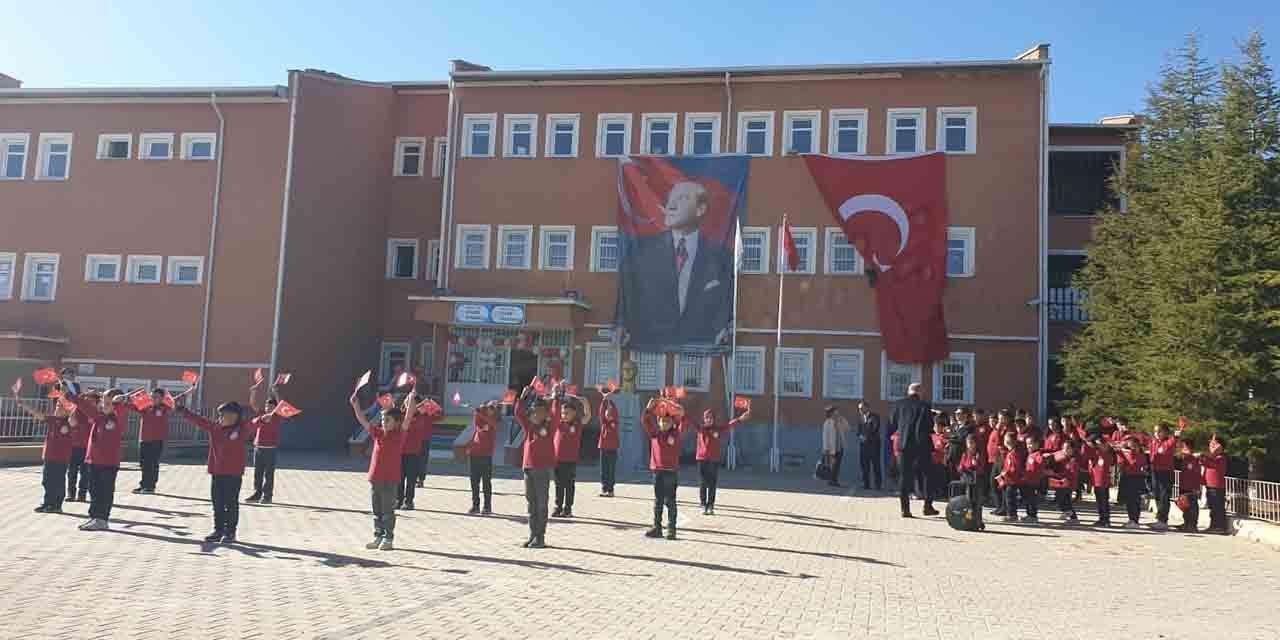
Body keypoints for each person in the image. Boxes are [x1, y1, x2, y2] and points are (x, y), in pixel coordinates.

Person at [618, 180, 733, 349]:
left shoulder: (721, 258)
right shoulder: (640, 253)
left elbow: (726, 304)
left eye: (683, 198)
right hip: (650, 345)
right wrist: (620, 324)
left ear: (700, 209)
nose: (671, 205)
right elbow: (627, 293)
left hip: (700, 348)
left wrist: (727, 327)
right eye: (670, 199)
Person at [177, 401, 262, 544]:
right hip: (217, 471)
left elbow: (253, 423)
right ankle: (218, 530)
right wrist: (182, 410)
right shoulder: (215, 428)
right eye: (221, 414)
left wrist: (261, 419)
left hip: (233, 473)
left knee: (231, 502)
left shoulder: (241, 429)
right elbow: (198, 420)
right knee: (217, 502)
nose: (222, 417)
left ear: (235, 416)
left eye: (226, 414)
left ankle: (230, 533)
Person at [346, 390, 403, 551]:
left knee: (388, 510)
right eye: (383, 419)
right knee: (376, 510)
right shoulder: (378, 433)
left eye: (388, 419)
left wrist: (412, 401)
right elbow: (362, 420)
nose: (384, 422)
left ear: (397, 422)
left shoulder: (399, 435)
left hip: (390, 479)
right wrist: (355, 405)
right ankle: (378, 536)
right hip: (375, 478)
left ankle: (388, 538)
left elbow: (406, 419)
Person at [69, 388, 129, 531]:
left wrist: (119, 404)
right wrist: (71, 396)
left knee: (105, 491)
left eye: (108, 403)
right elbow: (86, 408)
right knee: (94, 490)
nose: (104, 405)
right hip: (93, 460)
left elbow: (120, 412)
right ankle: (94, 517)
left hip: (108, 462)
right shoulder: (99, 416)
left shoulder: (118, 418)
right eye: (103, 402)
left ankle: (102, 519)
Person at [13, 390, 76, 513]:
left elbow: (74, 419)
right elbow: (38, 414)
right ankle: (47, 503)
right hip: (49, 456)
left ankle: (56, 505)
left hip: (61, 458)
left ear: (67, 410)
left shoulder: (68, 423)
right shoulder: (53, 420)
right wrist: (23, 404)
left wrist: (73, 406)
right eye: (56, 406)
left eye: (60, 407)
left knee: (57, 481)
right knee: (47, 481)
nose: (56, 408)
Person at [514, 383, 557, 548]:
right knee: (531, 503)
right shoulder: (530, 427)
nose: (534, 414)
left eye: (538, 411)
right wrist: (523, 397)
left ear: (545, 413)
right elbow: (518, 413)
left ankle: (540, 536)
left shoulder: (549, 427)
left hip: (542, 469)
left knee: (541, 504)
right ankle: (532, 534)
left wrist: (554, 398)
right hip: (528, 467)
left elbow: (555, 415)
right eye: (532, 411)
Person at [642, 396, 689, 539]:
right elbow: (645, 420)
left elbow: (683, 423)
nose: (664, 423)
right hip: (658, 471)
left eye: (667, 421)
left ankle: (671, 529)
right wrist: (648, 409)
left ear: (672, 423)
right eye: (662, 421)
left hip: (671, 472)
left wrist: (681, 413)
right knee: (658, 501)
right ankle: (657, 527)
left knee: (670, 500)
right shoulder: (654, 434)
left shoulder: (676, 434)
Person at [890, 383, 936, 518]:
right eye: (923, 391)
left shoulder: (898, 404)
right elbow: (929, 426)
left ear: (909, 392)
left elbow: (893, 422)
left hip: (904, 445)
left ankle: (905, 509)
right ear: (919, 392)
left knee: (904, 477)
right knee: (928, 475)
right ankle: (927, 506)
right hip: (922, 446)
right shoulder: (925, 406)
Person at [696, 405, 750, 515]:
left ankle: (710, 505)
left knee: (712, 483)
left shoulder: (718, 429)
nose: (709, 419)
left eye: (711, 417)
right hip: (702, 459)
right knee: (703, 483)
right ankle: (703, 504)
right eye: (707, 417)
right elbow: (689, 420)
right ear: (704, 419)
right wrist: (680, 412)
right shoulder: (701, 429)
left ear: (714, 419)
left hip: (714, 460)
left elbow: (729, 425)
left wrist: (740, 419)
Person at [245, 386, 293, 504]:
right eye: (266, 406)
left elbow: (282, 405)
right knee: (258, 473)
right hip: (258, 448)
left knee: (269, 474)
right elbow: (253, 404)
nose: (267, 408)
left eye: (270, 406)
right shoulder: (262, 414)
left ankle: (267, 496)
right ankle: (257, 493)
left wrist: (276, 392)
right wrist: (253, 391)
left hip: (270, 449)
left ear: (275, 408)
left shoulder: (277, 416)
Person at [553, 389, 590, 518]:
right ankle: (558, 507)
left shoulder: (578, 423)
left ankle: (567, 508)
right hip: (557, 459)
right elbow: (554, 412)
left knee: (569, 485)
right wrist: (555, 397)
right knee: (558, 484)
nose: (564, 415)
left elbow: (587, 416)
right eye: (563, 413)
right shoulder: (558, 424)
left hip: (570, 460)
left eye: (567, 413)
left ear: (574, 413)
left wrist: (585, 403)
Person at [399, 390, 437, 510]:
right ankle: (398, 500)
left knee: (410, 479)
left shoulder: (421, 416)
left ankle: (409, 501)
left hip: (414, 452)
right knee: (399, 478)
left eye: (410, 402)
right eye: (407, 401)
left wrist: (428, 403)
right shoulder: (400, 415)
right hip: (400, 451)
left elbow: (439, 413)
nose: (407, 404)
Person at [130, 389, 171, 495]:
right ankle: (144, 484)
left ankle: (150, 486)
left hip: (157, 440)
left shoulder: (165, 408)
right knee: (144, 464)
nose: (153, 399)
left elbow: (175, 400)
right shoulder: (145, 407)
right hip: (144, 439)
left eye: (156, 397)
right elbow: (131, 406)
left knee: (152, 463)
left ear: (162, 398)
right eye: (152, 396)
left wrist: (189, 392)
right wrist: (121, 400)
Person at [465, 400, 499, 515]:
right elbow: (478, 423)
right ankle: (475, 505)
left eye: (492, 409)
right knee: (474, 482)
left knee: (486, 482)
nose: (490, 410)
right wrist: (479, 410)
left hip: (486, 455)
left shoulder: (494, 421)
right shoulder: (480, 418)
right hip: (474, 453)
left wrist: (481, 413)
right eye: (488, 408)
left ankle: (487, 506)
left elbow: (491, 423)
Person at [1148, 422, 1180, 531]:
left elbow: (1175, 439)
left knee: (1164, 495)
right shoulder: (1153, 442)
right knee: (1156, 494)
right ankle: (1159, 518)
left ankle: (1163, 520)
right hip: (1155, 470)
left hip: (1166, 472)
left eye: (1159, 431)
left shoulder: (1169, 441)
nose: (1156, 433)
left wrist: (1177, 433)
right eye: (1155, 431)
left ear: (1165, 432)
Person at [1116, 434, 1149, 529]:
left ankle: (1135, 520)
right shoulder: (1128, 452)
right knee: (1129, 500)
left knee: (1135, 500)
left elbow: (1136, 464)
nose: (1128, 444)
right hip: (1128, 477)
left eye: (1130, 442)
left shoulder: (1139, 454)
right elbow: (1118, 453)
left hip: (1136, 478)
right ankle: (1131, 519)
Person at [956, 434, 986, 531]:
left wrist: (975, 465)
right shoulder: (965, 454)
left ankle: (978, 521)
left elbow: (980, 468)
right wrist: (961, 468)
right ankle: (969, 520)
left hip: (977, 481)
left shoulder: (979, 454)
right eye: (968, 443)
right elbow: (961, 466)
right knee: (968, 502)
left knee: (977, 502)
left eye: (972, 443)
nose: (970, 445)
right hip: (967, 481)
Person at [994, 431, 1025, 523]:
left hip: (1012, 479)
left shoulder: (1015, 453)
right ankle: (1010, 513)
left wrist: (1005, 473)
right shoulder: (1010, 452)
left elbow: (1015, 467)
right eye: (1006, 441)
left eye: (1009, 441)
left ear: (1014, 442)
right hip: (1008, 479)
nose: (1007, 443)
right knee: (1008, 497)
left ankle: (1012, 515)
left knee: (1010, 498)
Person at [1047, 440, 1081, 524]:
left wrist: (1057, 474)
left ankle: (1067, 511)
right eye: (1064, 448)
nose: (1065, 450)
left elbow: (1070, 474)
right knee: (1066, 500)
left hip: (1068, 484)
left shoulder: (1073, 461)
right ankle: (1073, 517)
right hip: (1062, 482)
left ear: (1072, 450)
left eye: (1067, 448)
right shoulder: (1064, 459)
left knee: (1060, 498)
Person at [1200, 436, 1228, 534]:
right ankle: (1213, 526)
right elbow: (1203, 460)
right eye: (1210, 443)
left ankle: (1219, 527)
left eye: (1214, 443)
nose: (1211, 445)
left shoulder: (1220, 458)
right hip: (1210, 485)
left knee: (1217, 507)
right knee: (1212, 507)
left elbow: (1208, 461)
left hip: (1217, 486)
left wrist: (1215, 450)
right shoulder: (1213, 457)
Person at [66, 399, 90, 503]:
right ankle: (71, 493)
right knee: (72, 472)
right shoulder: (75, 410)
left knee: (85, 473)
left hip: (86, 447)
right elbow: (71, 422)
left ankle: (82, 494)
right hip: (74, 446)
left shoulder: (90, 412)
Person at [597, 390, 621, 497]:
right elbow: (601, 413)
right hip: (603, 448)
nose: (608, 415)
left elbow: (615, 412)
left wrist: (610, 401)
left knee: (611, 470)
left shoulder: (615, 424)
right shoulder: (604, 424)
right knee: (604, 469)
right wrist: (604, 401)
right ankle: (604, 488)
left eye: (610, 414)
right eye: (607, 414)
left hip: (612, 449)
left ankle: (610, 489)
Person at [1087, 436, 1115, 527]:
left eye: (1101, 445)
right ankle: (1102, 518)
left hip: (1104, 481)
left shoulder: (1107, 454)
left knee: (1104, 500)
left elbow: (1110, 462)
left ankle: (1106, 519)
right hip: (1096, 480)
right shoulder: (1095, 453)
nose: (1099, 446)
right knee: (1099, 500)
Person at [855, 401, 882, 490]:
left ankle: (878, 485)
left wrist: (866, 437)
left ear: (867, 408)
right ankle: (866, 484)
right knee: (864, 465)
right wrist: (860, 436)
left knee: (876, 465)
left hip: (874, 445)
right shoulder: (860, 418)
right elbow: (858, 431)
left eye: (862, 408)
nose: (860, 410)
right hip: (863, 446)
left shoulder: (875, 417)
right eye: (859, 409)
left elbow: (875, 428)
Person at [1020, 433, 1046, 524]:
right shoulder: (1030, 454)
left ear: (1037, 444)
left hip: (1034, 482)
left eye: (1030, 443)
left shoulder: (1037, 454)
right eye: (1027, 444)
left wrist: (1042, 457)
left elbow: (1041, 461)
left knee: (1031, 499)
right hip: (1028, 480)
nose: (1028, 446)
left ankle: (1033, 515)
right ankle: (1029, 514)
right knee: (1027, 498)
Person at [821, 405, 848, 488]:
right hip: (832, 448)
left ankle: (834, 480)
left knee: (837, 465)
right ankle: (831, 480)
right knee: (832, 465)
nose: (838, 412)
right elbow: (825, 436)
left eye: (838, 411)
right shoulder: (827, 422)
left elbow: (848, 428)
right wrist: (826, 448)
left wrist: (842, 420)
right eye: (836, 411)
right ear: (832, 412)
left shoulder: (840, 421)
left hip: (840, 447)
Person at [1178, 441, 1202, 533]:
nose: (1183, 451)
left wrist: (1196, 487)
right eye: (1182, 448)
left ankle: (1192, 525)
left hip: (1191, 487)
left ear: (1191, 450)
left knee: (1192, 506)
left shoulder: (1194, 459)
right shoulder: (1184, 459)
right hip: (1184, 485)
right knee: (1185, 506)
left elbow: (1196, 474)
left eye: (1186, 449)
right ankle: (1186, 523)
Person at [929, 414, 949, 502]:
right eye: (935, 426)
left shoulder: (944, 437)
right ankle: (934, 494)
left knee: (941, 479)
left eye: (938, 426)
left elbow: (946, 448)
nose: (936, 428)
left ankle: (942, 494)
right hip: (932, 461)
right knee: (932, 479)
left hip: (941, 461)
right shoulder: (931, 436)